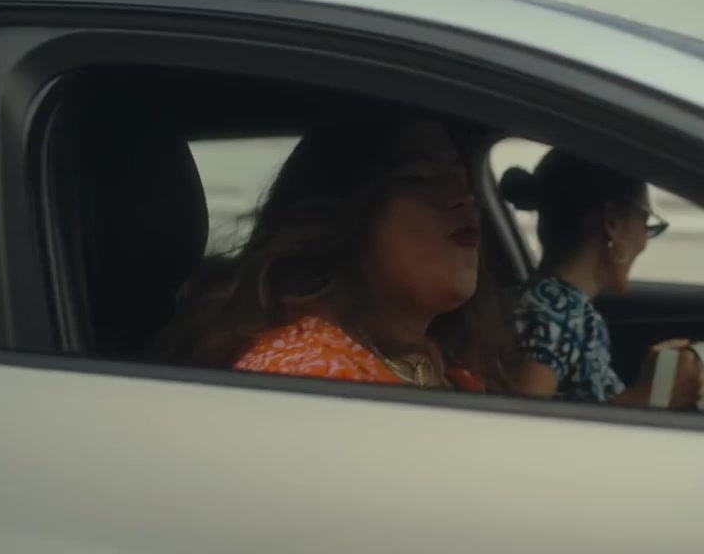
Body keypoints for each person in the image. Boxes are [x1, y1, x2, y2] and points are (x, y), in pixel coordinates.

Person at [153, 103, 513, 392]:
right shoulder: (304, 375)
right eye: (420, 178)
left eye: (462, 178)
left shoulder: (431, 354)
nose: (464, 198)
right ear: (342, 216)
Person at [500, 149, 704, 407]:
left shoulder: (552, 305)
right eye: (644, 221)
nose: (644, 241)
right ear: (612, 222)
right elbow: (523, 419)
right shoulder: (556, 312)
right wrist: (648, 397)